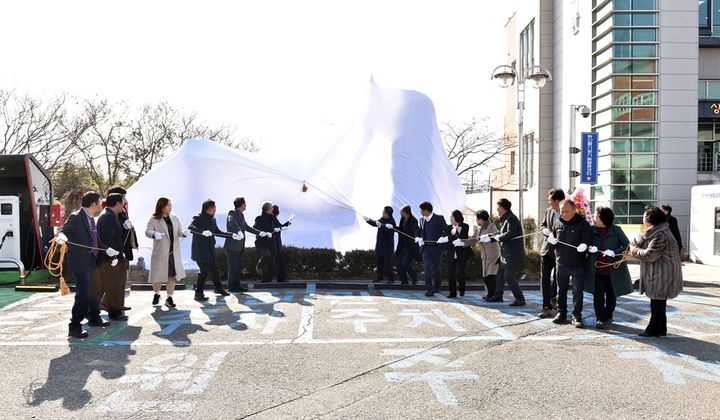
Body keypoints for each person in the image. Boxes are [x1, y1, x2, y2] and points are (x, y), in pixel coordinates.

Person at [56, 191, 119, 338]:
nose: (100, 204)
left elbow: (94, 240)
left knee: (94, 291)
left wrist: (106, 249)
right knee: (83, 294)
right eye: (99, 201)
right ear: (93, 204)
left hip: (92, 260)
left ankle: (93, 317)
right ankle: (75, 325)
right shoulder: (76, 217)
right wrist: (61, 236)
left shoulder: (91, 218)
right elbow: (63, 231)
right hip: (80, 262)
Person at [630, 206, 683, 337]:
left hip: (662, 273)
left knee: (657, 302)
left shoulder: (660, 235)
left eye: (644, 218)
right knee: (659, 302)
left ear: (650, 220)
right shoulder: (660, 231)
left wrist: (633, 250)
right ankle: (660, 328)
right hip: (662, 272)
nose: (643, 221)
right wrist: (639, 243)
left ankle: (653, 329)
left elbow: (649, 255)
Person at [585, 206, 633, 329]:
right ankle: (600, 319)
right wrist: (588, 247)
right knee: (598, 296)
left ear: (603, 218)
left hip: (613, 271)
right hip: (597, 270)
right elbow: (584, 242)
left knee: (612, 296)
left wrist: (614, 252)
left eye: (596, 215)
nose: (594, 218)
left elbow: (627, 246)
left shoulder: (616, 230)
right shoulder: (591, 230)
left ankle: (608, 315)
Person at [548, 199, 593, 327]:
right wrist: (552, 240)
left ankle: (576, 315)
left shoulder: (583, 224)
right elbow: (554, 241)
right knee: (560, 290)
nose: (564, 214)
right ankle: (561, 313)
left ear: (574, 210)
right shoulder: (558, 223)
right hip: (561, 262)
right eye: (562, 211)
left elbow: (588, 239)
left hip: (577, 263)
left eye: (567, 211)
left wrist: (584, 245)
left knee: (577, 291)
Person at [91, 193, 129, 321]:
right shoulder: (108, 217)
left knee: (111, 284)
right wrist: (115, 257)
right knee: (112, 284)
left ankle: (113, 308)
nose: (124, 204)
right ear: (117, 203)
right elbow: (108, 240)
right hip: (110, 257)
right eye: (123, 201)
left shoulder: (111, 215)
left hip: (112, 255)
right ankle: (114, 312)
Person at [145, 197, 188, 307]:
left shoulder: (174, 218)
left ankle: (169, 298)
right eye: (168, 205)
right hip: (160, 253)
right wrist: (154, 234)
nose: (170, 207)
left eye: (170, 205)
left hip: (173, 252)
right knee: (158, 276)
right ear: (161, 206)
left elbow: (179, 232)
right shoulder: (154, 219)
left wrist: (183, 233)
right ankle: (157, 293)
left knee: (172, 276)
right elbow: (147, 231)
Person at [189, 199, 235, 300]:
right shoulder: (198, 218)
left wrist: (231, 235)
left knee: (215, 270)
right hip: (200, 250)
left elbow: (218, 232)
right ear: (208, 209)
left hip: (210, 249)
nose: (215, 209)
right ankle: (198, 293)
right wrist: (202, 232)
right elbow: (191, 227)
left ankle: (218, 288)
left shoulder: (213, 219)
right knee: (204, 271)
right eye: (214, 207)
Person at [485, 199, 526, 306]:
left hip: (512, 254)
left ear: (503, 208)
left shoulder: (511, 218)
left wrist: (497, 237)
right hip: (505, 253)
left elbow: (510, 233)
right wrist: (490, 237)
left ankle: (520, 298)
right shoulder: (505, 218)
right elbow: (501, 233)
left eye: (498, 207)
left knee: (509, 276)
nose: (497, 209)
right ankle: (498, 295)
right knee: (500, 275)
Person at [106, 185, 136, 312]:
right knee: (115, 280)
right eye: (122, 196)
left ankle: (120, 303)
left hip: (124, 247)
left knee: (122, 279)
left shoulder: (123, 209)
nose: (124, 199)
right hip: (117, 249)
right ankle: (109, 304)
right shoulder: (110, 212)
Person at [224, 197, 261, 292]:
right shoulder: (232, 213)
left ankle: (238, 285)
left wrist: (259, 232)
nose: (246, 205)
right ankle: (231, 287)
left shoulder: (241, 214)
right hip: (232, 246)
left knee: (239, 266)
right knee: (233, 268)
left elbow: (247, 227)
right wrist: (238, 231)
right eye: (245, 204)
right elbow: (232, 222)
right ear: (240, 205)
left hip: (240, 246)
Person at [538, 188, 564, 318]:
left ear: (557, 201)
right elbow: (542, 226)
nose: (549, 203)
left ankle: (554, 297)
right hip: (547, 249)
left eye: (550, 201)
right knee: (545, 279)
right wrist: (546, 232)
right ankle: (546, 306)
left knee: (559, 278)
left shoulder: (567, 212)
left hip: (561, 251)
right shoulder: (549, 211)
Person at [414, 201, 449, 297]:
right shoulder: (421, 219)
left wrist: (442, 237)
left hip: (436, 248)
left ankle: (437, 286)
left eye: (421, 210)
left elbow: (446, 229)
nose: (420, 211)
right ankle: (429, 289)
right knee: (427, 268)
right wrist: (418, 237)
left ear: (426, 210)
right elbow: (418, 230)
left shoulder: (439, 218)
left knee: (436, 268)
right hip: (425, 248)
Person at [465, 210, 500, 300]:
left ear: (481, 219)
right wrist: (461, 242)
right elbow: (472, 240)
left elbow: (497, 234)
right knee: (485, 276)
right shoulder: (478, 229)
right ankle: (490, 293)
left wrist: (487, 236)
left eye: (477, 219)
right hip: (484, 256)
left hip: (493, 255)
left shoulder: (491, 226)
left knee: (491, 275)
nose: (476, 221)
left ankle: (493, 295)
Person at [365, 206, 397, 284]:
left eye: (384, 212)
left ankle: (391, 278)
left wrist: (381, 226)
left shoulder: (392, 222)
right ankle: (379, 277)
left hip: (388, 246)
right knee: (379, 262)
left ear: (387, 213)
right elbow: (376, 223)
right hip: (380, 244)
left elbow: (388, 233)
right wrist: (368, 220)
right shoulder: (382, 219)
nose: (382, 212)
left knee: (387, 263)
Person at [447, 210, 473, 298]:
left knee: (459, 273)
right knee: (450, 274)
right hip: (451, 253)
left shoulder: (465, 226)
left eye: (451, 217)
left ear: (456, 217)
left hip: (462, 254)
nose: (450, 218)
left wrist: (452, 234)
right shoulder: (449, 227)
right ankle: (452, 293)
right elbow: (447, 238)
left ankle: (462, 289)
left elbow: (461, 236)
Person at [253, 202, 278, 282]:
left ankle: (267, 278)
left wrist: (280, 228)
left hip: (270, 242)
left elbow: (278, 225)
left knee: (271, 261)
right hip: (261, 242)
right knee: (267, 256)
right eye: (271, 208)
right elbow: (255, 228)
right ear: (267, 209)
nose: (272, 209)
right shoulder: (259, 218)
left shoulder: (272, 217)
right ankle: (259, 265)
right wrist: (263, 233)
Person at [395, 205, 419, 285]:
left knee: (405, 263)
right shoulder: (402, 219)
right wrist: (393, 227)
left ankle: (414, 276)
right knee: (398, 265)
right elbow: (401, 230)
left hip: (410, 246)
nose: (400, 213)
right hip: (403, 245)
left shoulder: (413, 220)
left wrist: (416, 237)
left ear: (405, 212)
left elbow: (416, 229)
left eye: (401, 212)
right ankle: (404, 281)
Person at [272, 204, 292, 282]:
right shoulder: (273, 219)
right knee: (280, 261)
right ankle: (280, 279)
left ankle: (280, 278)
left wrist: (289, 222)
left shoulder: (275, 219)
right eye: (278, 209)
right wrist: (281, 228)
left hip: (277, 243)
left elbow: (281, 227)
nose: (279, 211)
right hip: (275, 243)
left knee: (279, 261)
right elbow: (277, 228)